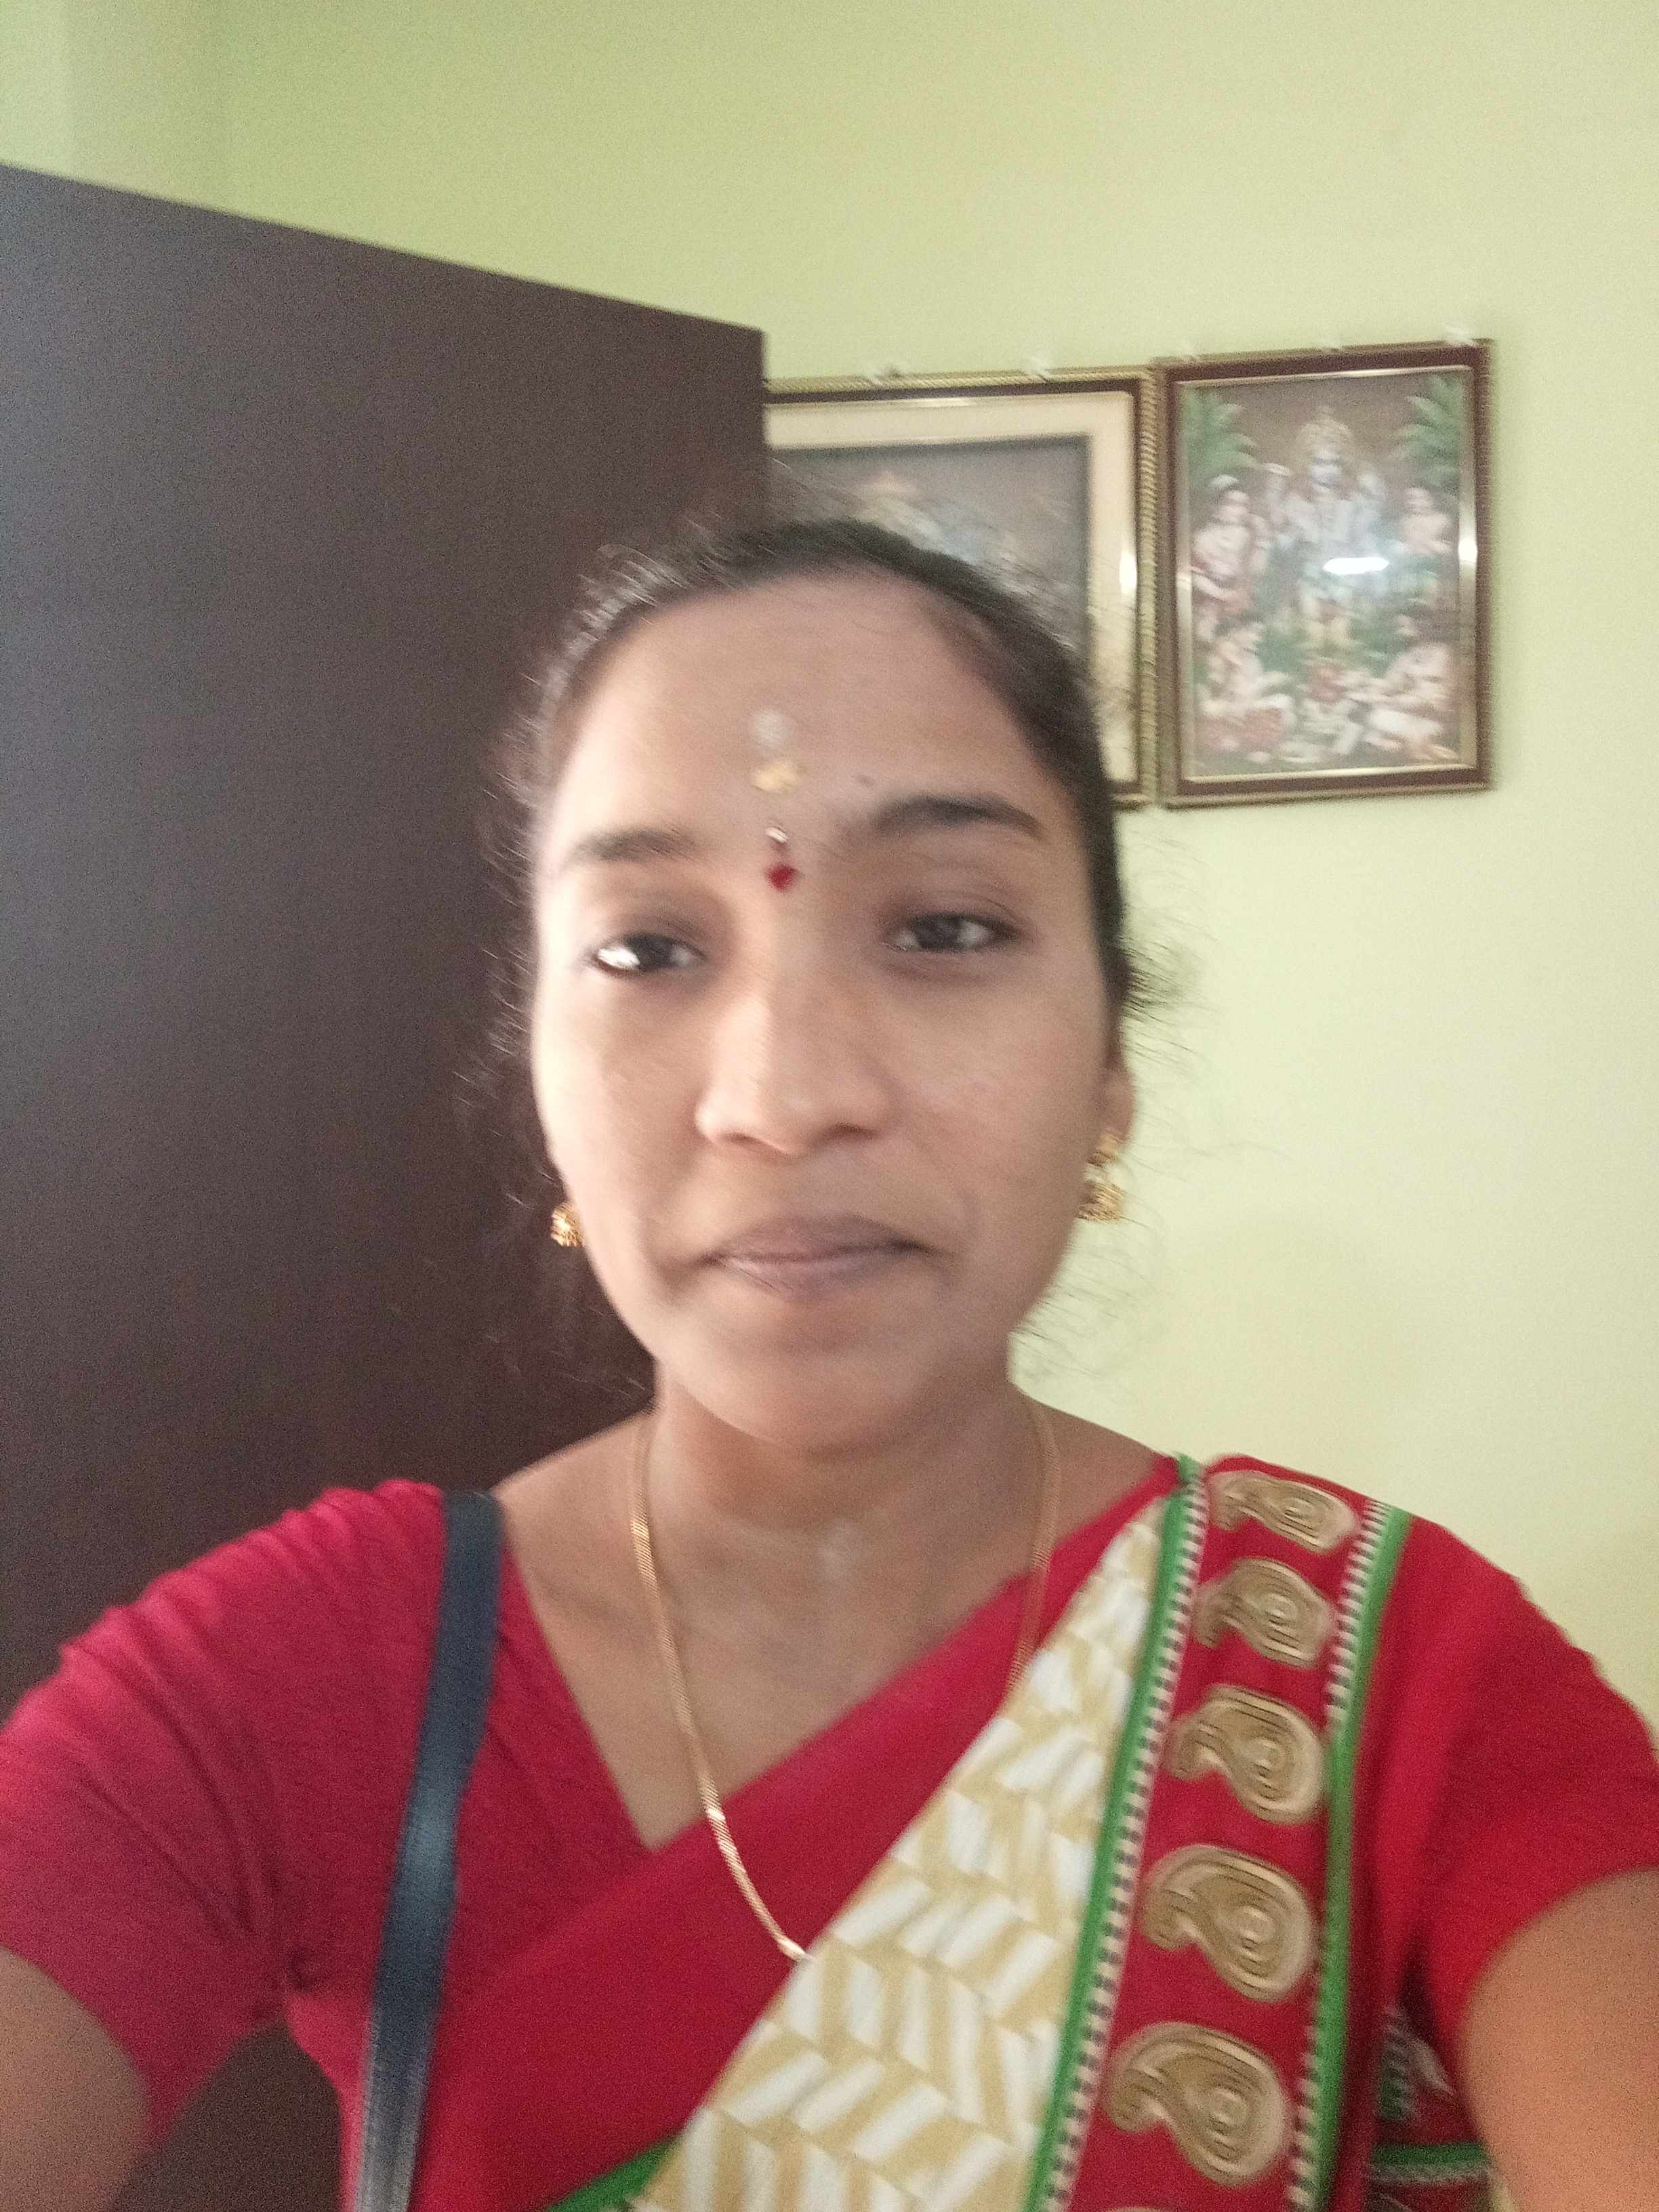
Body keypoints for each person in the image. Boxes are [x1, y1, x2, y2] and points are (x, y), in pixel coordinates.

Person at [2, 519, 1658, 2212]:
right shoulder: (301, 1683)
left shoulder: (1396, 1685)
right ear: (543, 1079)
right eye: (649, 949)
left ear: (1110, 1067)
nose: (784, 1099)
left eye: (943, 928)